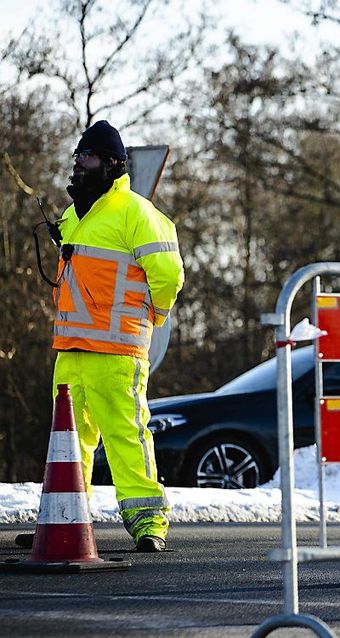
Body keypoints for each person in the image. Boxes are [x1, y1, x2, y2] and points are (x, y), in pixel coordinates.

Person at [50, 120, 184, 552]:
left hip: (117, 349)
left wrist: (154, 315)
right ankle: (64, 520)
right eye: (77, 157)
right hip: (71, 348)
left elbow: (168, 275)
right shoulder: (74, 215)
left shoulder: (137, 213)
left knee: (127, 436)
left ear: (111, 163)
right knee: (68, 443)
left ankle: (149, 523)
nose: (78, 164)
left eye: (85, 157)